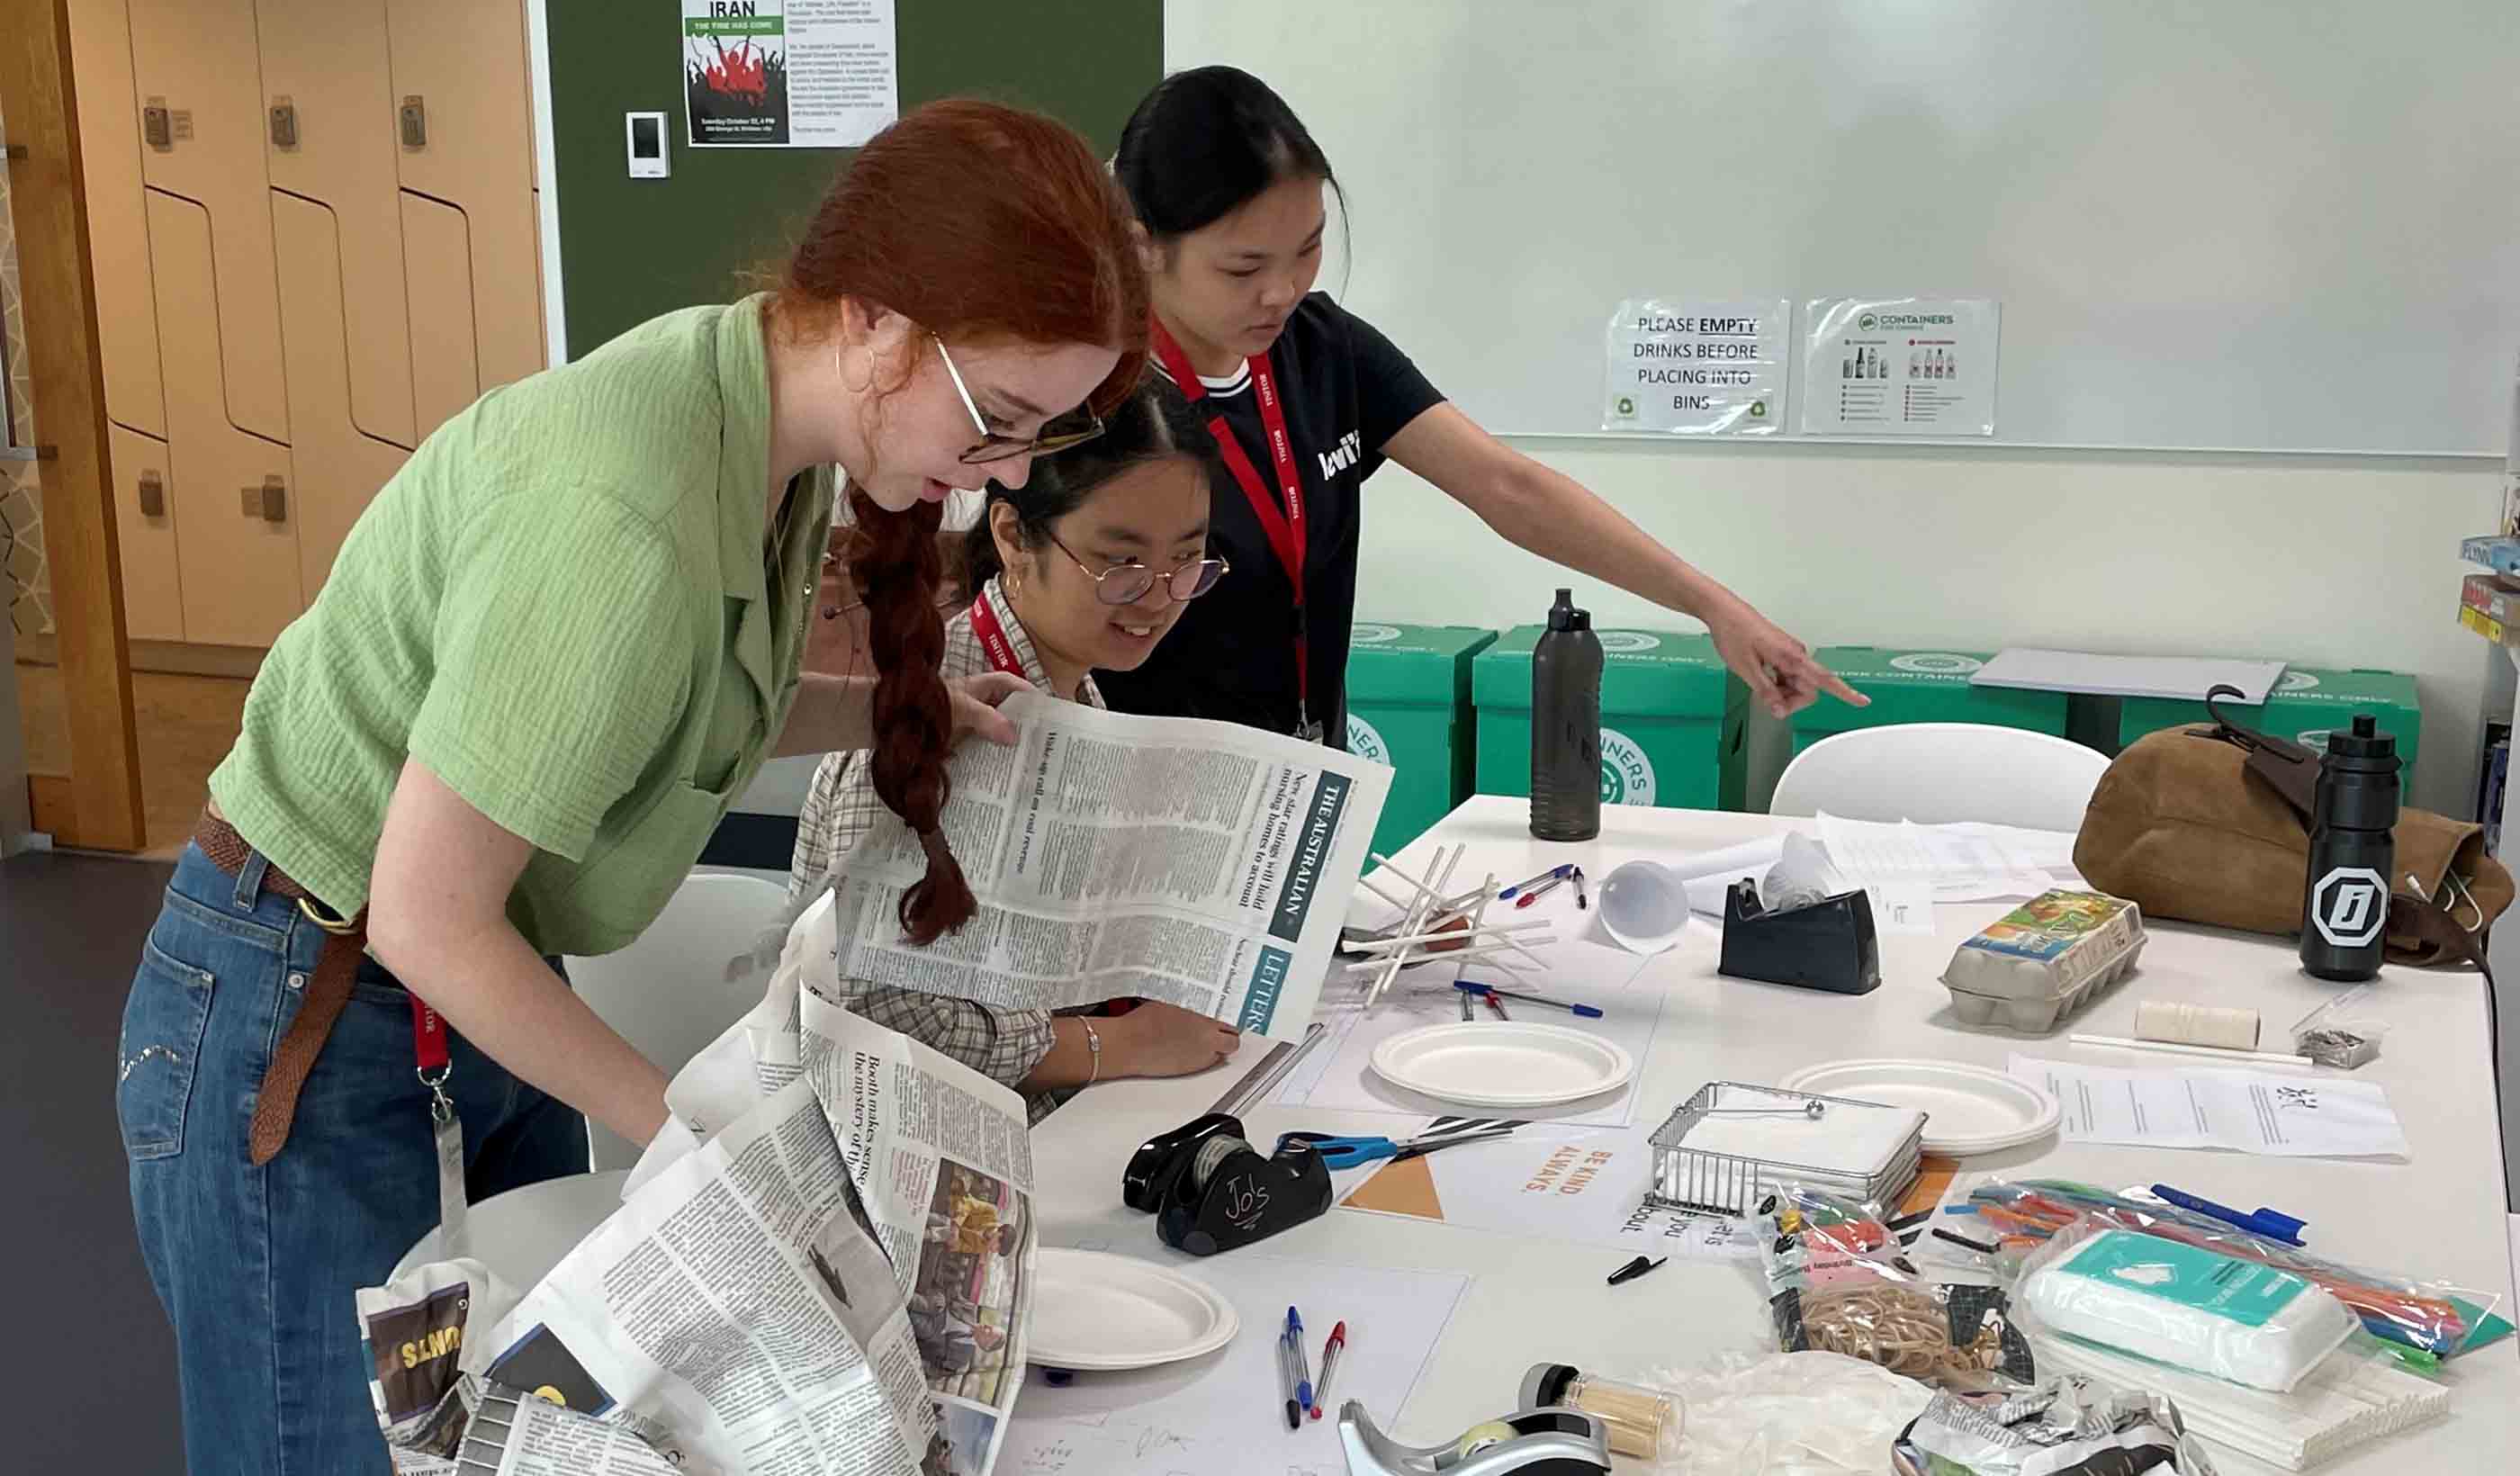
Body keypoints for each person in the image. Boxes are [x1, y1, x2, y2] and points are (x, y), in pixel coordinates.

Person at [112, 100, 1147, 1474]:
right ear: (878, 324)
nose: (1010, 471)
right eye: (1001, 421)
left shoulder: (756, 430)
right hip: (307, 990)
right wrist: (686, 1129)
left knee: (533, 1422)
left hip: (452, 978)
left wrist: (913, 712)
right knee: (340, 1451)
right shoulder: (629, 508)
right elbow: (427, 911)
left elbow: (668, 697)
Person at [1096, 66, 1865, 744]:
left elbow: (1509, 488)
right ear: (1143, 247)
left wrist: (1712, 606)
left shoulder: (1322, 351)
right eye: (1243, 268)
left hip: (1301, 793)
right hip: (1142, 802)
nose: (1282, 290)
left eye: (1308, 248)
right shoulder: (1095, 394)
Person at [788, 387, 1245, 1117]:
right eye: (1119, 562)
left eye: (1188, 560)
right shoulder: (952, 699)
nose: (1159, 598)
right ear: (1011, 536)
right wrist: (1120, 1045)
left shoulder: (1071, 687)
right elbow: (865, 1004)